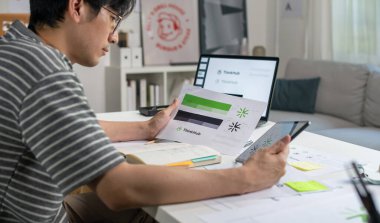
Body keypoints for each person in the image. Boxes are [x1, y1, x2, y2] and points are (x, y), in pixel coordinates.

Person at [0, 0, 290, 222]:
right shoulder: (45, 73)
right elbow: (118, 188)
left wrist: (145, 129)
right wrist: (246, 177)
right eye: (113, 19)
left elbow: (69, 125)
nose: (114, 37)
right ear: (77, 7)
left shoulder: (15, 50)